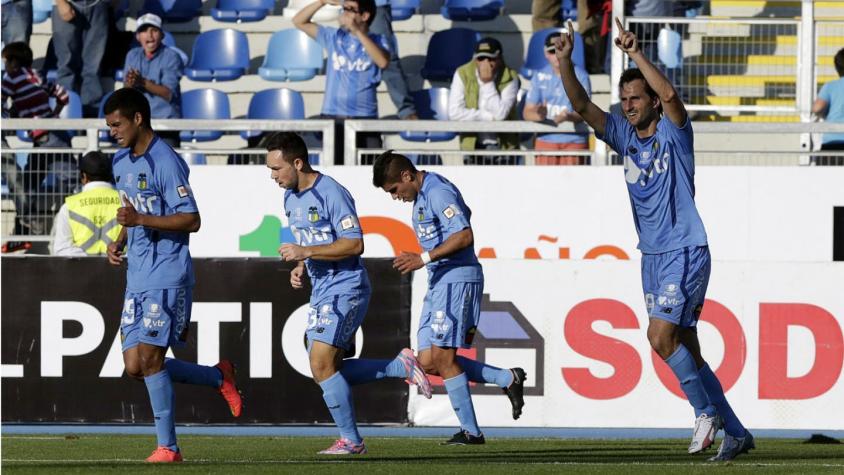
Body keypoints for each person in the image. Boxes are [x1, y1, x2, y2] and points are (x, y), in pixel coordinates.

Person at [555, 19, 753, 461]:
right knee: (689, 350)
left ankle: (704, 413)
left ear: (651, 103)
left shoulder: (675, 134)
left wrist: (635, 53)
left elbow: (671, 97)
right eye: (624, 99)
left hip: (685, 248)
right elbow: (582, 104)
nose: (628, 106)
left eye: (635, 98)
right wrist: (565, 63)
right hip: (653, 255)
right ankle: (737, 433)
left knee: (660, 337)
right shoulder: (625, 136)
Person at [265, 132, 431, 455]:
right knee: (325, 369)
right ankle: (400, 366)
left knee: (320, 363)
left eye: (276, 168)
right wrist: (302, 263)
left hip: (346, 286)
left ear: (297, 163)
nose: (273, 176)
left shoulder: (331, 192)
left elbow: (355, 243)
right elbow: (310, 243)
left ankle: (352, 441)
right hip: (322, 289)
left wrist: (307, 251)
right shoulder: (290, 198)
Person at [104, 88, 242, 463]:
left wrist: (140, 221)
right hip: (137, 274)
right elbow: (130, 209)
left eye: (117, 124)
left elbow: (192, 219)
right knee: (135, 366)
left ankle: (169, 448)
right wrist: (119, 239)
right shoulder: (120, 161)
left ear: (137, 119)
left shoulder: (165, 161)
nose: (112, 132)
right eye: (108, 126)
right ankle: (218, 378)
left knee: (150, 360)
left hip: (167, 273)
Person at [371, 151, 527, 445]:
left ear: (406, 176)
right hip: (439, 281)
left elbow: (465, 235)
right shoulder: (421, 197)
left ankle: (472, 432)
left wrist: (423, 258)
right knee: (428, 362)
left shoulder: (438, 192)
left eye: (394, 190)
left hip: (457, 279)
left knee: (443, 358)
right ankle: (507, 378)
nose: (395, 196)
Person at [293, 0, 389, 164]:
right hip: (332, 117)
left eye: (350, 9)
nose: (344, 13)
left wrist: (357, 31)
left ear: (365, 16)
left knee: (370, 173)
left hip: (365, 119)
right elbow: (298, 21)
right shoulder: (333, 37)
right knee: (334, 170)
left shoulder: (379, 40)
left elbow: (383, 62)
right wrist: (322, 2)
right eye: (343, 9)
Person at [448, 37, 520, 165]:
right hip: (472, 146)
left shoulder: (510, 76)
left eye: (491, 58)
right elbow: (454, 112)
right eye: (481, 58)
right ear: (475, 59)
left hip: (503, 147)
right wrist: (486, 116)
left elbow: (500, 115)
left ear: (499, 58)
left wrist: (488, 82)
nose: (486, 63)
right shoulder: (462, 73)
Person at [523, 32, 592, 165]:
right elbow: (527, 113)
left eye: (560, 49)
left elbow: (587, 113)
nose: (557, 55)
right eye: (552, 51)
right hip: (546, 139)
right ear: (546, 54)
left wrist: (569, 117)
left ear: (568, 50)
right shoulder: (539, 75)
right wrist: (539, 115)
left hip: (574, 141)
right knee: (544, 185)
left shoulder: (582, 76)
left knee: (574, 185)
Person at [122, 13, 184, 149]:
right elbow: (126, 92)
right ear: (138, 36)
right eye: (144, 31)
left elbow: (168, 93)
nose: (149, 35)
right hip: (139, 124)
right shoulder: (132, 55)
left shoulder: (172, 56)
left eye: (154, 30)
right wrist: (131, 83)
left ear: (162, 35)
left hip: (165, 125)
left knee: (166, 168)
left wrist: (142, 82)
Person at [50, 151, 121, 256]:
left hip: (82, 270)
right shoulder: (126, 202)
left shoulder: (69, 206)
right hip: (121, 269)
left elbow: (61, 249)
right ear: (111, 175)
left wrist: (88, 259)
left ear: (84, 176)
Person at [52, 0, 109, 115]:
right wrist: (61, 2)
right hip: (67, 4)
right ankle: (65, 116)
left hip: (98, 5)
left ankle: (90, 118)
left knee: (93, 68)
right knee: (66, 67)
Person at [371, 0, 418, 120]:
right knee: (350, 57)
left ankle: (406, 111)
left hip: (375, 6)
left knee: (388, 59)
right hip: (349, 7)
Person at [812, 47, 844, 165]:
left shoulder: (830, 86)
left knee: (827, 182)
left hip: (833, 142)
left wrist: (824, 114)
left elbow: (817, 108)